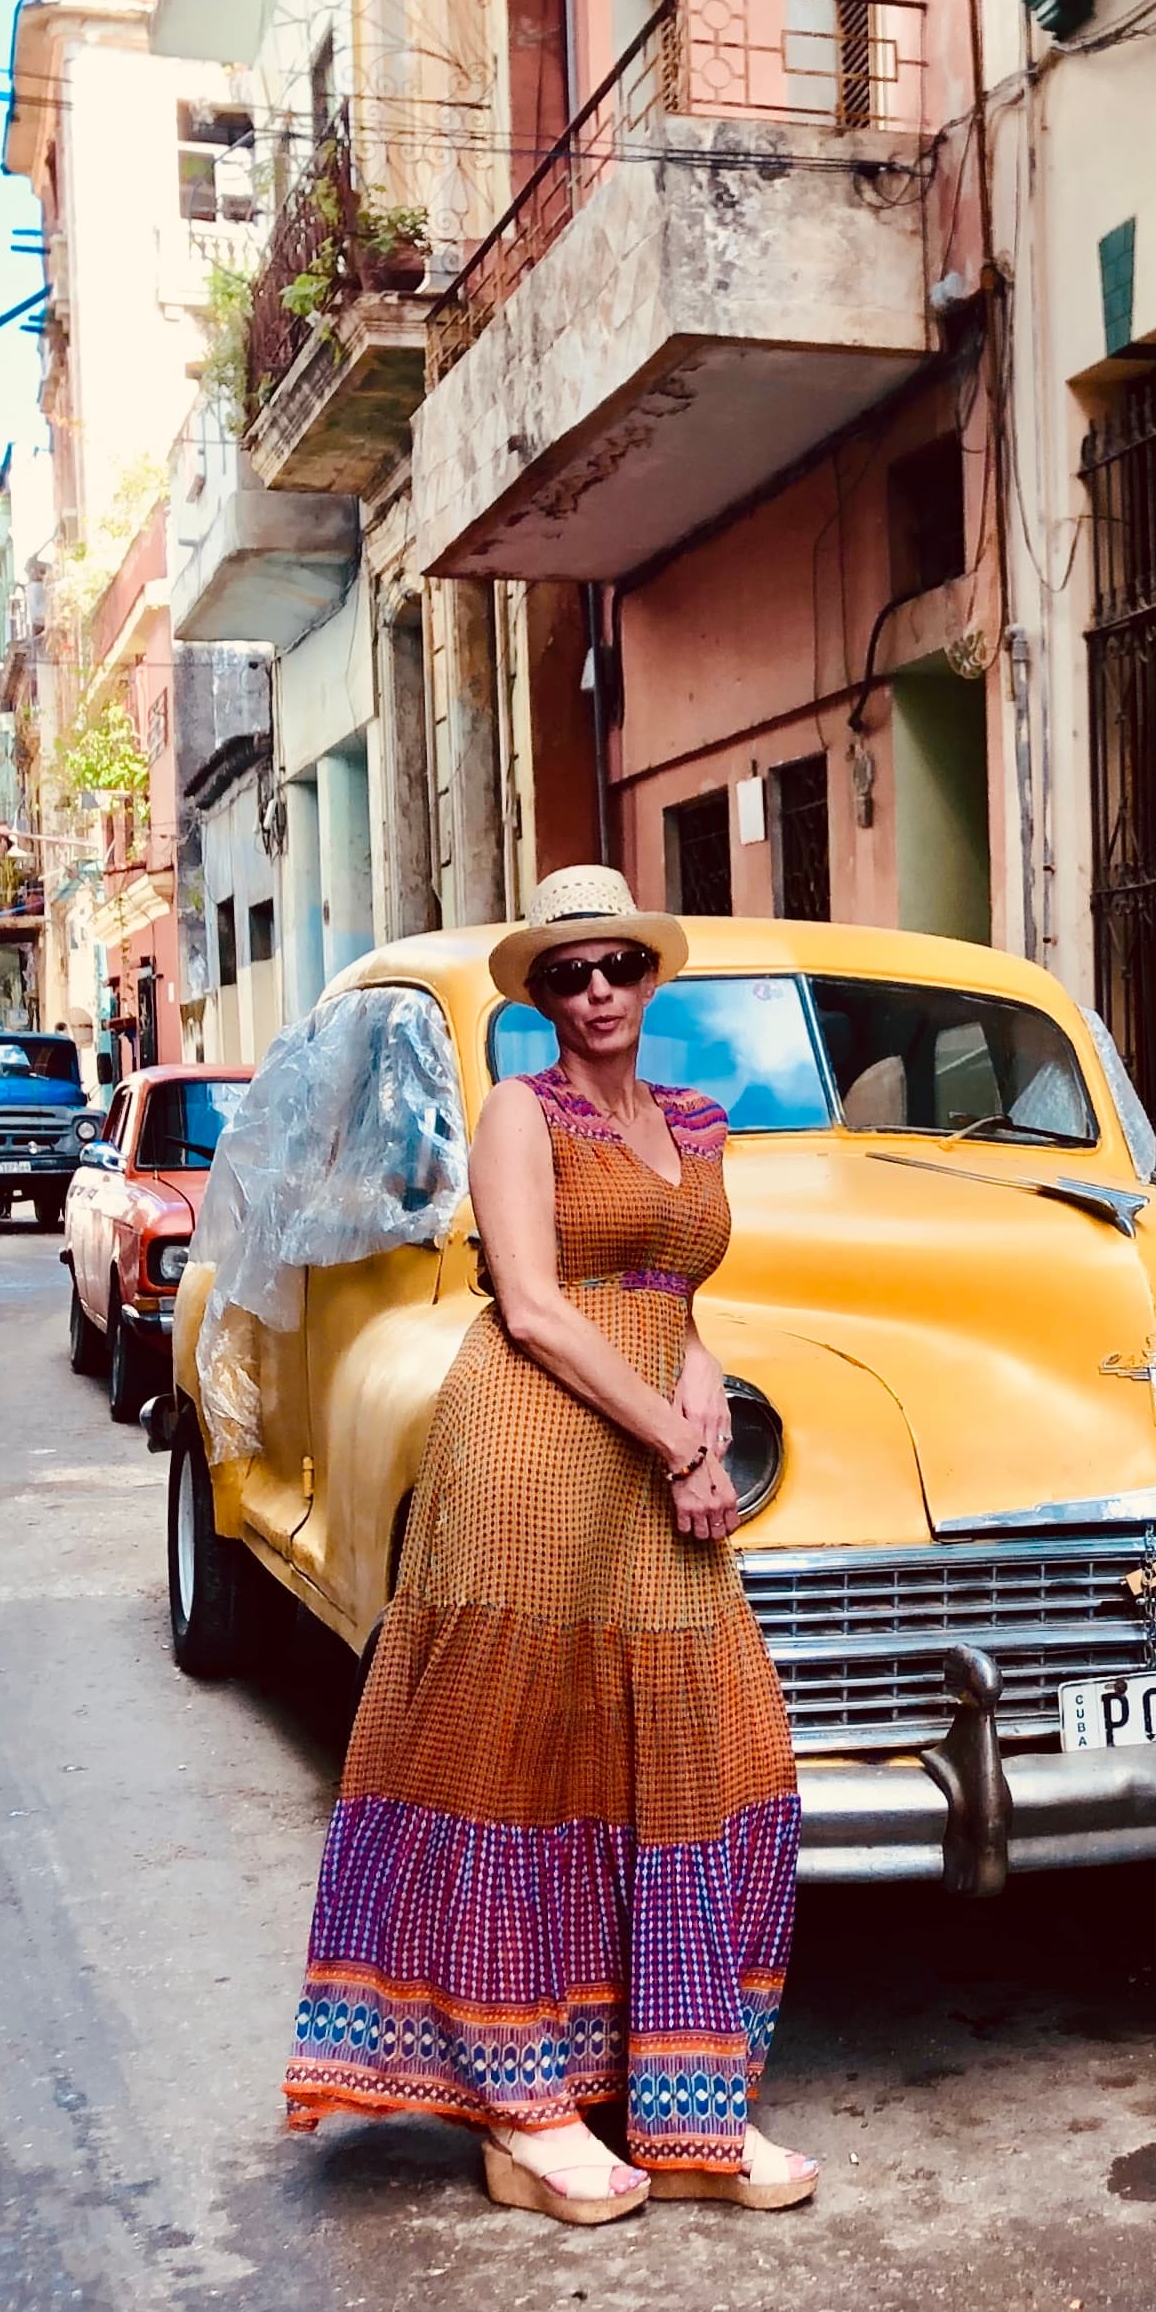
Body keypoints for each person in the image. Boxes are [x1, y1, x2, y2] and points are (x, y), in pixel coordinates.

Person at [281, 867, 813, 2225]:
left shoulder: (686, 1118)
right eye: (568, 974)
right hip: (532, 1436)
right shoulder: (520, 1111)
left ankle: (688, 2093)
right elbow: (533, 1302)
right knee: (520, 1748)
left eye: (617, 968)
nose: (595, 993)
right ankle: (524, 2102)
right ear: (541, 993)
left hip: (645, 1427)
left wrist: (700, 1369)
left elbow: (663, 1283)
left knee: (716, 1738)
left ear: (649, 973)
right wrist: (676, 1437)